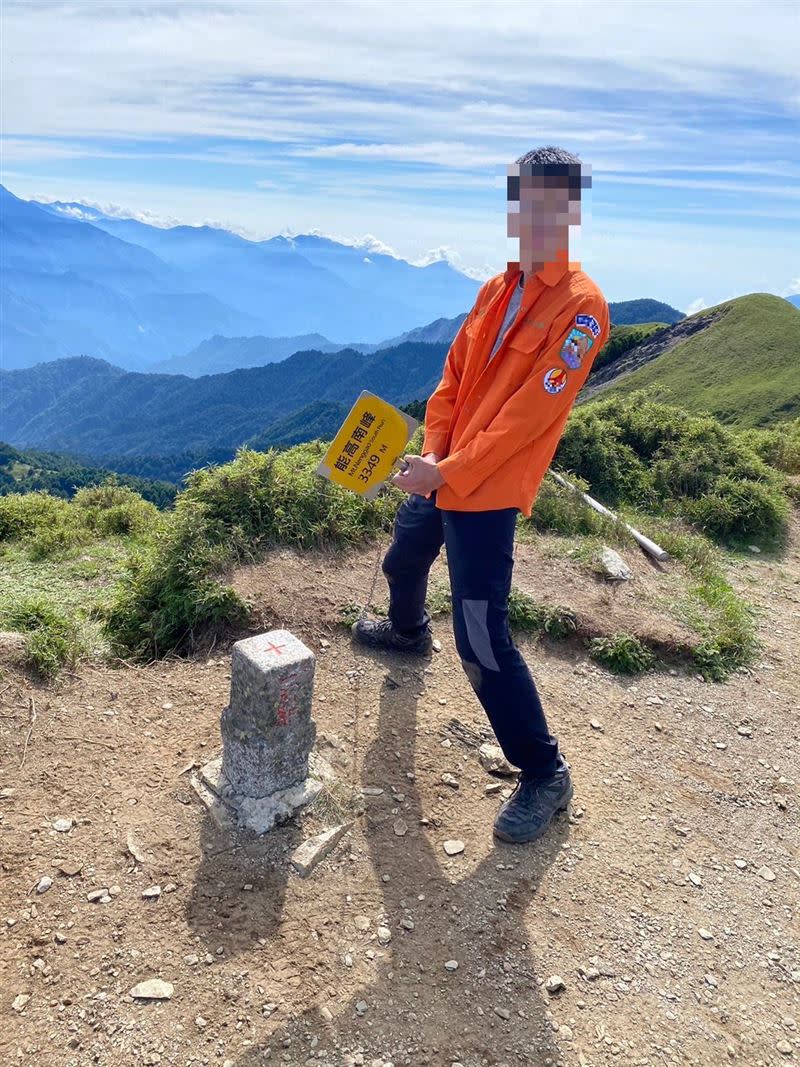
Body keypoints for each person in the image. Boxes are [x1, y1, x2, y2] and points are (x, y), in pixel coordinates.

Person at [352, 145, 610, 844]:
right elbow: (453, 375)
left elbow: (527, 416)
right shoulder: (495, 290)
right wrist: (434, 452)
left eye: (550, 204)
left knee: (479, 635)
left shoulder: (583, 309)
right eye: (525, 201)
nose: (535, 217)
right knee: (403, 563)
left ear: (570, 210)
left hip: (488, 493)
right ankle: (407, 634)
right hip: (446, 469)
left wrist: (450, 471)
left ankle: (544, 771)